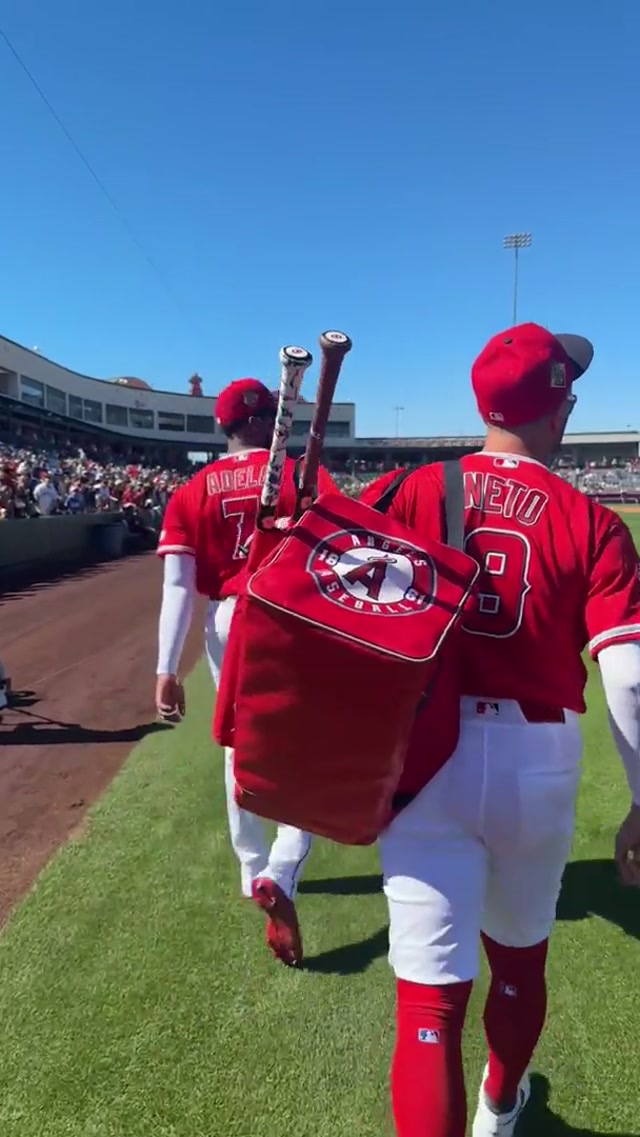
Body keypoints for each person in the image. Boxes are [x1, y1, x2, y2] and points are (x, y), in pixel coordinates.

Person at [368, 324, 640, 1137]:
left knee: (428, 999)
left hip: (422, 753)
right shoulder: (593, 521)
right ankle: (498, 1107)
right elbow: (627, 673)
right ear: (558, 409)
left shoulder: (411, 488)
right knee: (519, 960)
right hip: (536, 759)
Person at [155, 377, 336, 967]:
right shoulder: (300, 475)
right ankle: (283, 867)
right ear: (269, 421)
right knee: (299, 747)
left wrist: (166, 668)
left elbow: (179, 587)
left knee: (238, 744)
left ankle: (250, 867)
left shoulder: (192, 489)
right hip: (288, 615)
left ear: (224, 427)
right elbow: (338, 549)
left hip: (226, 619)